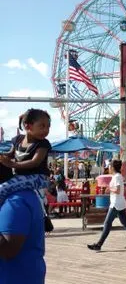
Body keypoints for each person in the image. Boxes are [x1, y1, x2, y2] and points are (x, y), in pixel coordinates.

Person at [0, 108, 51, 284]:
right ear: (28, 127)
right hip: (21, 178)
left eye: (48, 126)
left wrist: (12, 164)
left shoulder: (17, 202)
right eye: (42, 126)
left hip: (36, 178)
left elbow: (35, 162)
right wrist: (6, 158)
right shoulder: (17, 140)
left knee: (3, 188)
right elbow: (8, 154)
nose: (46, 130)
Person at [87, 159, 126, 251]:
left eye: (109, 166)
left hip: (116, 203)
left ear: (112, 167)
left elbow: (117, 190)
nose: (108, 168)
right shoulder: (118, 176)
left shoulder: (117, 177)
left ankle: (99, 244)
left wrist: (109, 189)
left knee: (107, 223)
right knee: (125, 223)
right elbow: (122, 189)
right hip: (119, 202)